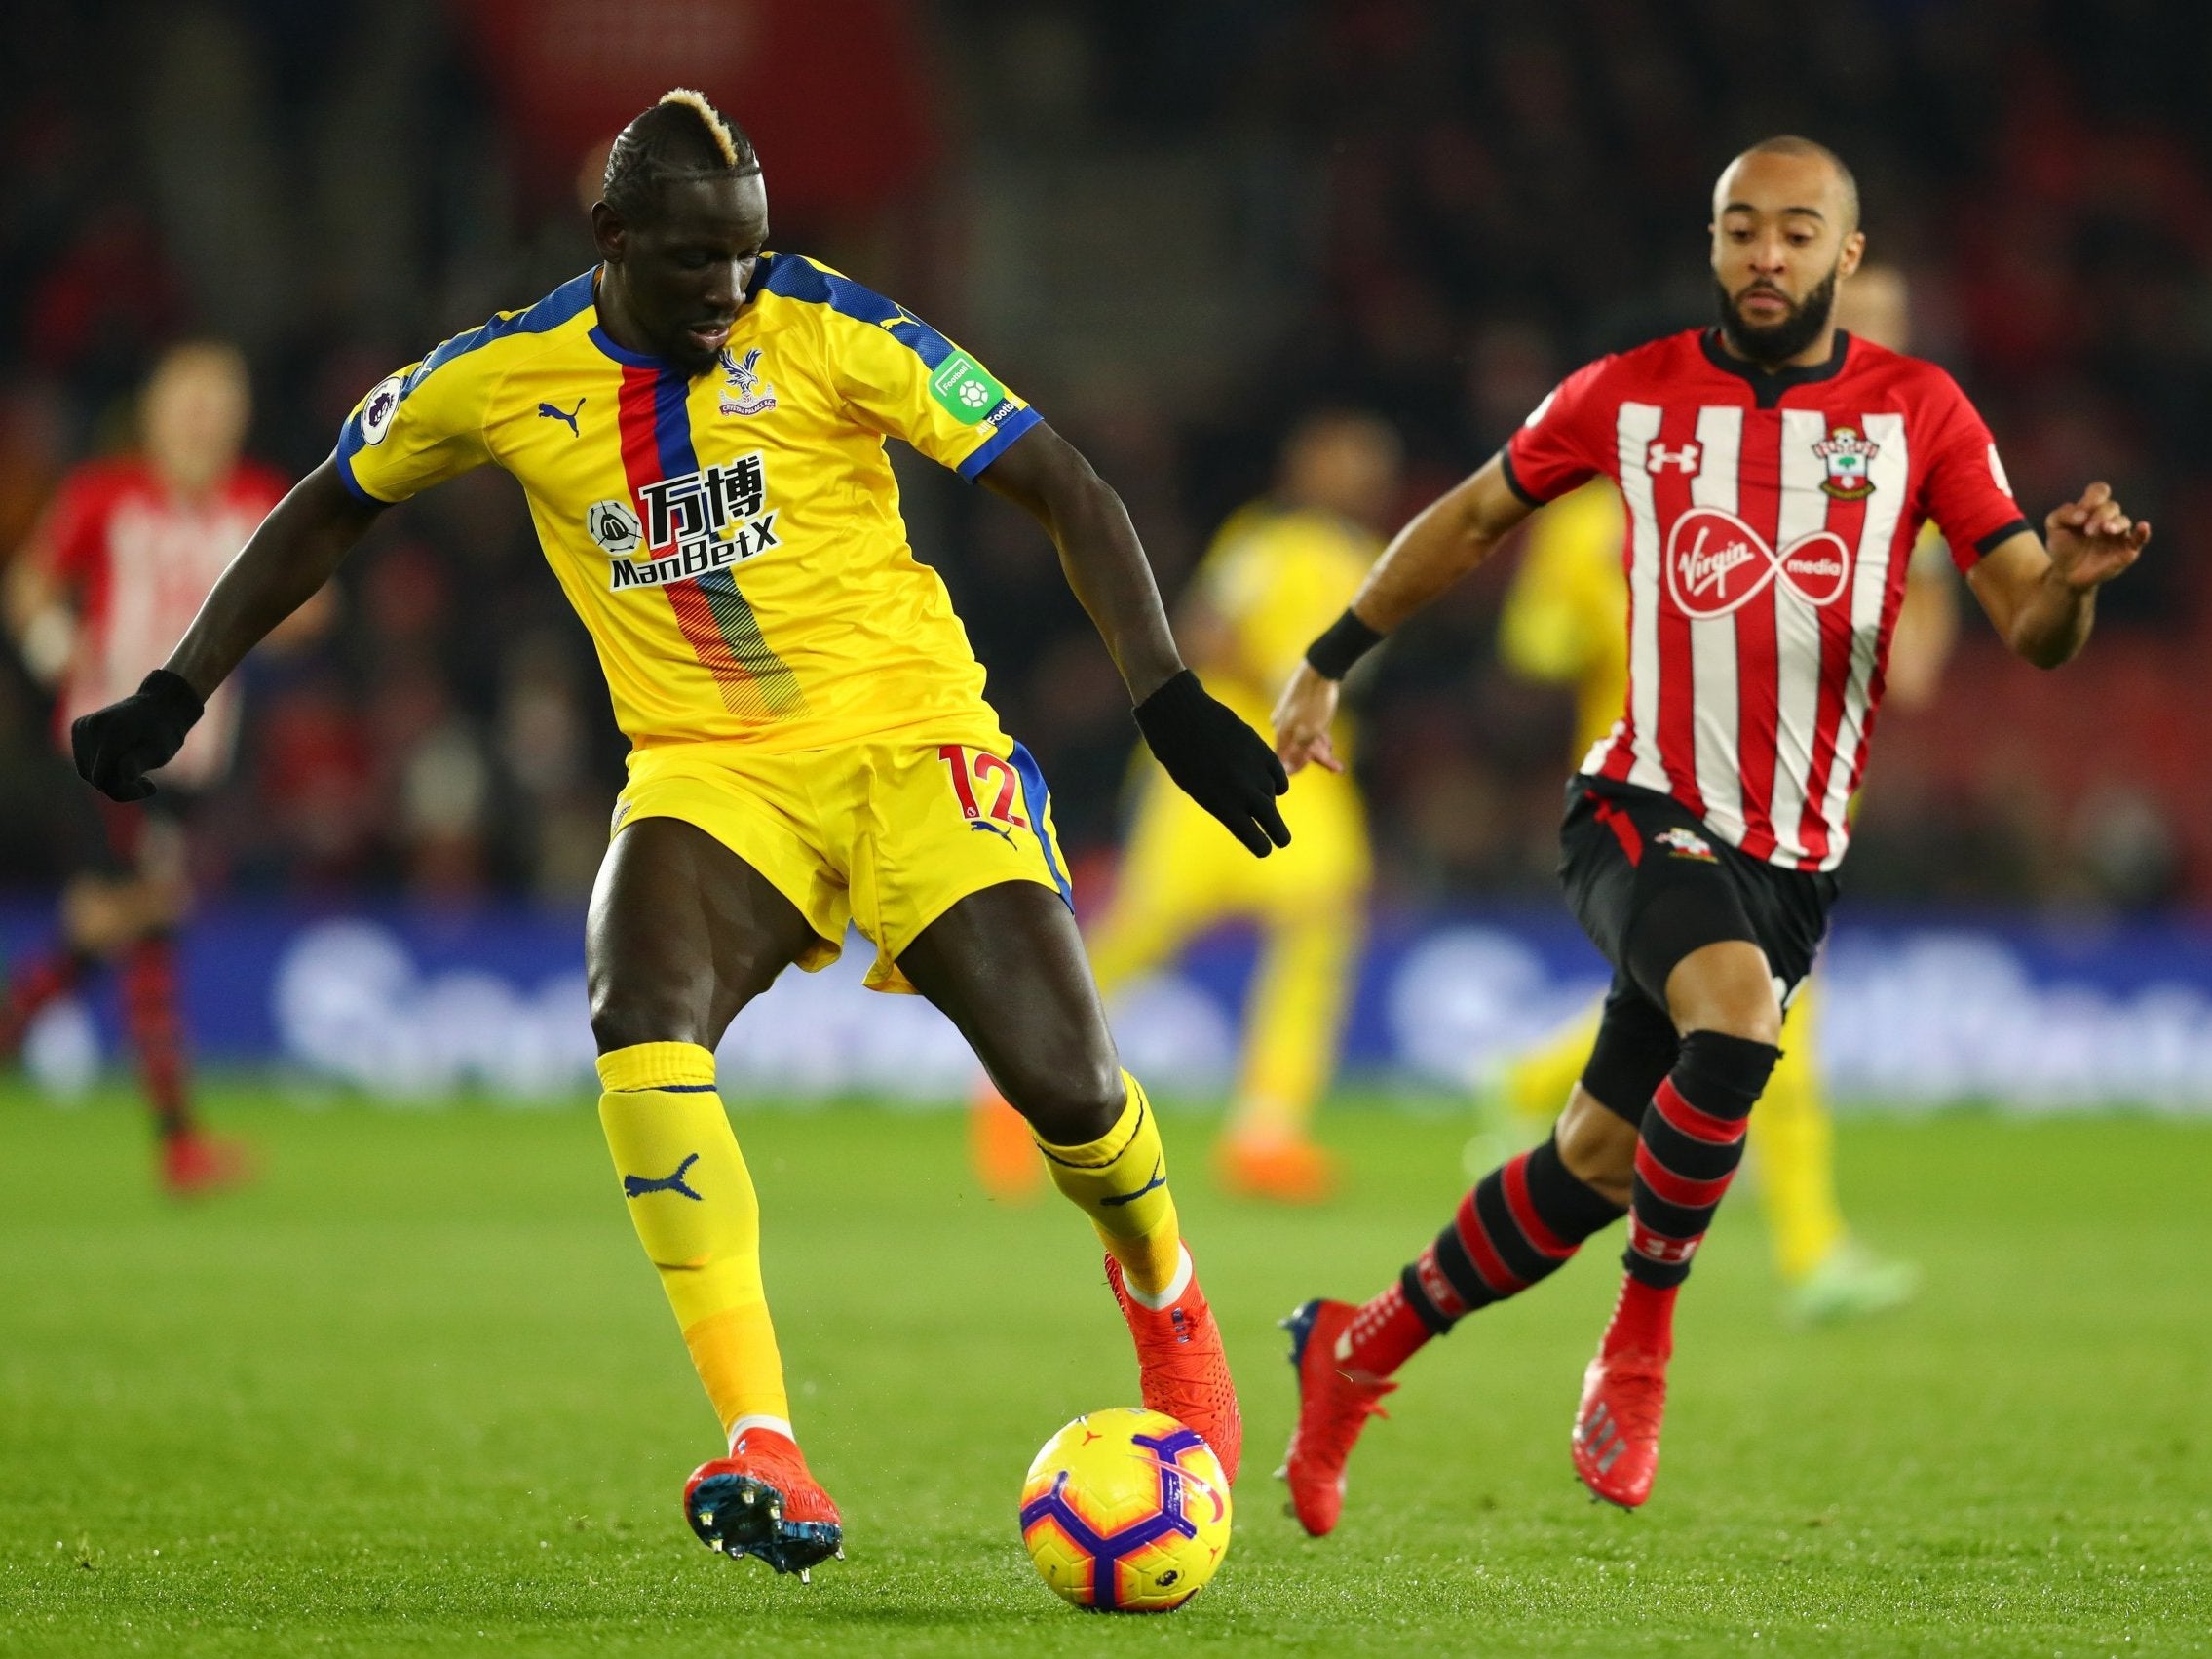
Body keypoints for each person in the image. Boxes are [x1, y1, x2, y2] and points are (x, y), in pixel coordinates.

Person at [70, 90, 1287, 1578]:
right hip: (711, 772)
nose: (732, 289)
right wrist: (180, 686)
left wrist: (1161, 694)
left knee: (1071, 1091)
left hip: (912, 742)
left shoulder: (836, 325)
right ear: (613, 239)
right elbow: (329, 505)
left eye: (752, 255)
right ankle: (765, 1436)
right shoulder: (504, 376)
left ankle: (1165, 1296)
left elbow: (1059, 479)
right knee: (634, 1010)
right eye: (700, 259)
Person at [1270, 136, 2147, 1527]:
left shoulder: (1919, 413)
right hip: (1637, 805)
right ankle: (1639, 1346)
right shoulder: (1630, 395)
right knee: (1734, 1028)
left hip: (1794, 859)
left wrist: (2076, 582)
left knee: (1597, 1165)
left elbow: (2029, 625)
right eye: (1741, 230)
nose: (1766, 256)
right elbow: (1476, 514)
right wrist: (1326, 657)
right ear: (1712, 242)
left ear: (1845, 258)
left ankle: (1355, 1347)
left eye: (1798, 233)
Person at [1488, 265, 1953, 1322]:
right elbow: (1534, 653)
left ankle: (1523, 1083)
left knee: (1696, 1011)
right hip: (1650, 796)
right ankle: (1810, 1250)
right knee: (1768, 1016)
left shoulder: (1782, 489)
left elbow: (1888, 658)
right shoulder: (1587, 522)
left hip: (1780, 795)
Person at [972, 410, 1397, 1204]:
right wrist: (1280, 686)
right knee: (1148, 925)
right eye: (1346, 454)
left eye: (1372, 460)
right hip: (1225, 752)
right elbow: (1206, 630)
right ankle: (1018, 1078)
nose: (1362, 472)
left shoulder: (1370, 559)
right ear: (1305, 464)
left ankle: (1267, 1132)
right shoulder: (1267, 541)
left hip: (1310, 766)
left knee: (1323, 922)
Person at [1, 342, 301, 1195]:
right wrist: (54, 642)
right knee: (154, 910)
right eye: (189, 398)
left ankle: (19, 1026)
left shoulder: (257, 502)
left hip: (196, 755)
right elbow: (30, 586)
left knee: (111, 921)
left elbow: (314, 605)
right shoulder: (104, 494)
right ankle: (178, 1144)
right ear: (156, 409)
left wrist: (284, 614)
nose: (203, 415)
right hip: (106, 744)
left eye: (219, 400)